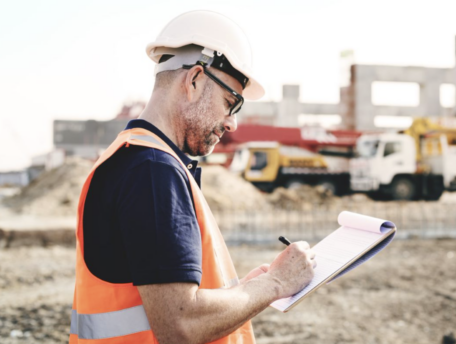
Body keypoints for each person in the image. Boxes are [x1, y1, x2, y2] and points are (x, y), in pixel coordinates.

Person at [69, 11, 316, 344]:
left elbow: (168, 301)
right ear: (195, 79)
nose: (232, 124)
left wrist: (246, 291)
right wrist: (275, 283)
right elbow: (181, 325)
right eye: (231, 103)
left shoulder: (133, 157)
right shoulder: (152, 171)